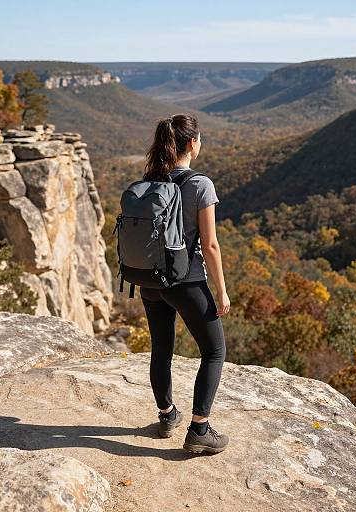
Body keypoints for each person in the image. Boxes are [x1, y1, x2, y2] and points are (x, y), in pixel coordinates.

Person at [139, 113, 230, 454]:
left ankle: (166, 417)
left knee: (161, 348)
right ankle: (200, 429)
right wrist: (221, 291)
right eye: (200, 139)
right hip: (187, 282)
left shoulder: (151, 180)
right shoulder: (200, 185)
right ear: (193, 143)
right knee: (214, 351)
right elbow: (210, 245)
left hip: (151, 282)